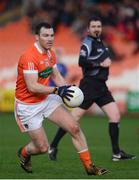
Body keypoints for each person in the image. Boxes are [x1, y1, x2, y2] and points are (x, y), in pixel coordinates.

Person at [14, 21, 108, 176]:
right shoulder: (29, 57)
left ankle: (89, 167)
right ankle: (24, 153)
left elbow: (56, 76)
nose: (50, 39)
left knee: (74, 127)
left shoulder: (50, 53)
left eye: (51, 35)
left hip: (46, 99)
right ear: (37, 37)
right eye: (45, 35)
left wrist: (68, 90)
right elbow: (32, 87)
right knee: (42, 148)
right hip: (28, 105)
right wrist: (58, 90)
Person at [48, 16, 136, 162]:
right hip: (90, 85)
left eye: (98, 26)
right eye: (93, 26)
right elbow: (81, 61)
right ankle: (53, 146)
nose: (96, 29)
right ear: (88, 29)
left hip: (101, 86)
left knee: (115, 116)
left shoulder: (101, 43)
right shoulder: (87, 43)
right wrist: (100, 63)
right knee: (73, 119)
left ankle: (116, 154)